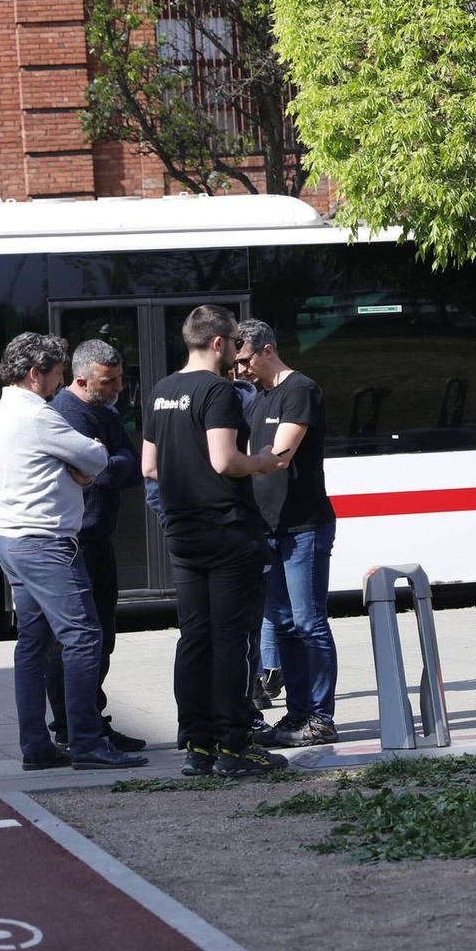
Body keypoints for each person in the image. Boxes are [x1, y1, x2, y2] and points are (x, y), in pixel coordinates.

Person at [143, 304, 291, 779]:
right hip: (226, 530)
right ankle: (235, 745)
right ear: (218, 343)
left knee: (195, 638)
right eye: (234, 342)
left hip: (182, 532)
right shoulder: (217, 391)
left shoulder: (162, 391)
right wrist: (264, 461)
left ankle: (197, 746)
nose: (237, 351)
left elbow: (149, 466)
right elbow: (226, 461)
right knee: (232, 641)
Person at [0, 333, 146, 772]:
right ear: (36, 373)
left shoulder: (3, 410)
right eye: (57, 374)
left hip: (14, 538)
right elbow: (94, 458)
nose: (60, 384)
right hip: (46, 543)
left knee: (33, 646)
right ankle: (87, 742)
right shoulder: (39, 415)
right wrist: (85, 461)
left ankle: (36, 746)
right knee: (83, 638)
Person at [234, 319, 339, 748]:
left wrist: (236, 465)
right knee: (281, 623)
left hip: (303, 526)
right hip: (271, 528)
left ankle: (319, 717)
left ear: (267, 350)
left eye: (244, 360)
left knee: (308, 623)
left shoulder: (300, 390)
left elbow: (280, 454)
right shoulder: (258, 399)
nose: (239, 369)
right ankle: (297, 714)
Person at [44, 339, 145, 753]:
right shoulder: (66, 414)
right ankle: (72, 726)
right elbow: (97, 471)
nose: (119, 387)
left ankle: (90, 718)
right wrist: (106, 462)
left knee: (102, 636)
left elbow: (131, 465)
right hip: (76, 541)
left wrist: (106, 460)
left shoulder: (107, 411)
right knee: (78, 639)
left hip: (99, 538)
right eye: (110, 381)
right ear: (82, 379)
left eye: (120, 378)